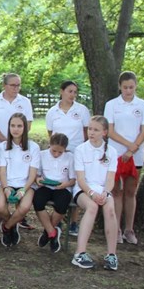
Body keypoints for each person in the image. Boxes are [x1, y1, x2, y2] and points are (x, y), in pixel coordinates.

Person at [104, 71, 144, 245]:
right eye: (125, 87)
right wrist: (127, 145)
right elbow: (110, 131)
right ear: (120, 87)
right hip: (116, 153)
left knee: (130, 192)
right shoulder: (111, 105)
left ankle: (129, 229)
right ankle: (116, 229)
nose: (128, 91)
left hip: (135, 155)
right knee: (116, 192)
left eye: (131, 87)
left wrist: (133, 149)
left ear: (136, 86)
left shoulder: (143, 105)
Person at [0, 73, 35, 230]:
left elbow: (28, 124)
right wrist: (6, 141)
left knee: (20, 171)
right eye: (13, 85)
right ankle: (7, 217)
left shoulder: (25, 101)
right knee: (2, 177)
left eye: (18, 85)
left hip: (20, 144)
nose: (16, 88)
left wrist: (16, 140)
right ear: (4, 86)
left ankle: (18, 219)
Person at [70, 116, 119, 270]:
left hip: (102, 190)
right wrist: (91, 193)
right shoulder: (80, 150)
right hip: (83, 190)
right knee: (92, 207)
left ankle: (111, 254)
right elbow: (80, 179)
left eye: (96, 130)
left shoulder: (111, 151)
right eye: (90, 129)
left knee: (110, 209)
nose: (91, 132)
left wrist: (106, 192)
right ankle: (79, 253)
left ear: (104, 132)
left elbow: (110, 179)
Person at [45, 80, 91, 236]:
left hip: (76, 153)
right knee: (60, 183)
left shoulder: (82, 110)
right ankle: (58, 219)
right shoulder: (52, 112)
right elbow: (51, 134)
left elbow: (86, 132)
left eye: (75, 92)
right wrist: (59, 149)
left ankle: (73, 222)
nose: (73, 95)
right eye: (70, 91)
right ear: (61, 91)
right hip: (59, 154)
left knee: (75, 184)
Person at [0, 113, 40, 247]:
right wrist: (6, 188)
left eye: (19, 126)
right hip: (7, 183)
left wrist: (23, 190)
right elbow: (2, 171)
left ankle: (6, 227)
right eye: (13, 125)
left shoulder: (33, 147)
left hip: (26, 185)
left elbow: (32, 174)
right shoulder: (2, 147)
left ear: (25, 128)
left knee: (24, 207)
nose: (16, 129)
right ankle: (13, 225)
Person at [32, 133, 76, 253]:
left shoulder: (70, 157)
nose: (56, 154)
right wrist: (38, 179)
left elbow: (73, 179)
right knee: (38, 201)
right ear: (50, 145)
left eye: (60, 152)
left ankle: (47, 232)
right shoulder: (42, 155)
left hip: (63, 187)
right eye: (54, 151)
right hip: (46, 186)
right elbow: (37, 174)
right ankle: (52, 232)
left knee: (62, 204)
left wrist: (65, 184)